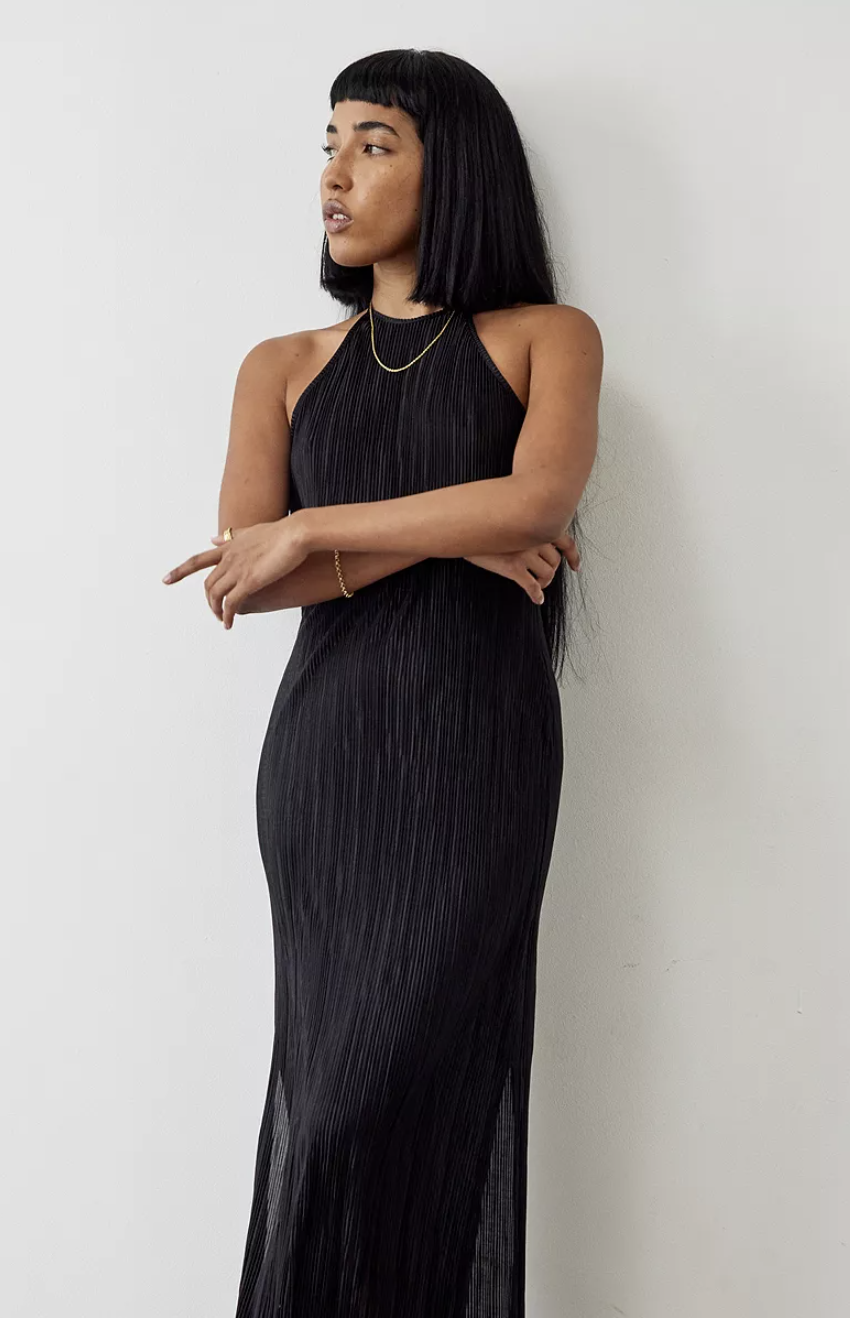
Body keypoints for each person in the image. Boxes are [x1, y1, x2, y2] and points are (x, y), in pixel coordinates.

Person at [162, 47, 602, 1318]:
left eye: (373, 143)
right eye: (329, 144)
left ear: (453, 169)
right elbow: (246, 578)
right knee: (329, 1095)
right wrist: (446, 533)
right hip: (331, 758)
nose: (334, 175)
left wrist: (317, 528)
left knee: (412, 1090)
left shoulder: (547, 338)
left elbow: (537, 501)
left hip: (478, 754)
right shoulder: (282, 362)